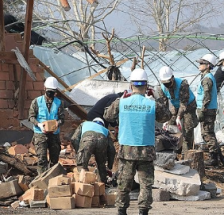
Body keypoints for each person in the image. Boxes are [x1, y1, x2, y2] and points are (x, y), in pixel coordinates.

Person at [104, 68, 171, 215]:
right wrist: (155, 99)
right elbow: (166, 116)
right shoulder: (152, 104)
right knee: (146, 184)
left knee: (124, 183)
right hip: (146, 150)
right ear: (146, 86)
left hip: (127, 149)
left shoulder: (121, 102)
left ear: (131, 85)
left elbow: (107, 115)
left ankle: (121, 210)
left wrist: (122, 99)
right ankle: (143, 211)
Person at [28, 77, 67, 175]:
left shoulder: (59, 103)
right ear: (44, 88)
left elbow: (62, 118)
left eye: (52, 92)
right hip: (40, 134)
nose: (50, 94)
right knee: (42, 159)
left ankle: (53, 181)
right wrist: (39, 124)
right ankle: (42, 181)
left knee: (54, 160)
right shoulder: (37, 101)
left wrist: (58, 123)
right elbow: (31, 117)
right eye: (49, 91)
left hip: (54, 135)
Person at [156, 66, 197, 155]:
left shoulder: (183, 84)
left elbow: (183, 103)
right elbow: (164, 104)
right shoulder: (161, 88)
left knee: (187, 129)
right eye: (165, 83)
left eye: (168, 83)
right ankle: (174, 151)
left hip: (188, 105)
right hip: (175, 105)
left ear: (172, 78)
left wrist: (179, 117)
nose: (167, 86)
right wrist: (165, 119)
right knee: (170, 128)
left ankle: (186, 153)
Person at [195, 53, 224, 167]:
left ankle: (214, 159)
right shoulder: (206, 77)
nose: (199, 65)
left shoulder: (207, 79)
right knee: (209, 133)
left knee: (207, 134)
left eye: (202, 63)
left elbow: (206, 96)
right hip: (208, 109)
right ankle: (220, 158)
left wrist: (202, 110)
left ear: (208, 65)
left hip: (207, 110)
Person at [70, 117, 116, 184]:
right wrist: (110, 165)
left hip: (88, 140)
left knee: (82, 165)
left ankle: (83, 186)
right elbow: (111, 149)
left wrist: (79, 152)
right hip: (102, 140)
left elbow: (74, 139)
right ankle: (102, 187)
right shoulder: (105, 130)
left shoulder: (84, 124)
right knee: (101, 166)